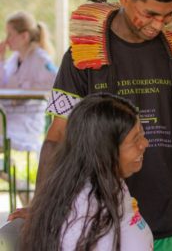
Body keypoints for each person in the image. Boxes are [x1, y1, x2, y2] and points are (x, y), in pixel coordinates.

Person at [10, 0, 172, 250]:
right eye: (149, 14)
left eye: (169, 15)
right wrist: (41, 203)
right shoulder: (84, 55)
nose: (158, 25)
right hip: (102, 220)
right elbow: (56, 138)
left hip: (169, 217)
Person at [21, 93, 152, 250]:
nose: (145, 143)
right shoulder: (84, 214)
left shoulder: (112, 184)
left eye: (142, 134)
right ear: (105, 150)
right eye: (135, 139)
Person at [0, 11, 57, 152]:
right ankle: (5, 170)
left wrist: (29, 90)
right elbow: (3, 84)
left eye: (10, 35)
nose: (6, 40)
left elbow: (56, 83)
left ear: (24, 36)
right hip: (8, 116)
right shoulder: (14, 59)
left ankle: (5, 170)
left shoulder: (41, 59)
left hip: (26, 121)